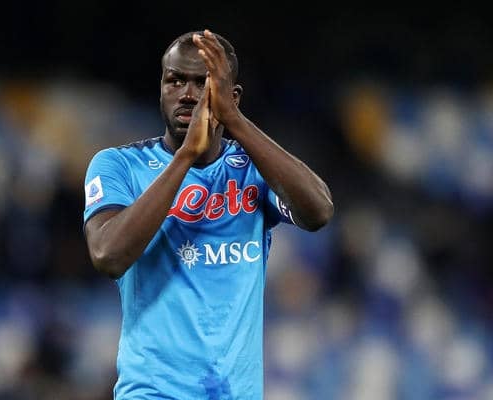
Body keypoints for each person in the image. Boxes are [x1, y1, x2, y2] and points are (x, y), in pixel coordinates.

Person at [82, 29, 334, 399]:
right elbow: (108, 255)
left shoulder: (252, 169)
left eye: (203, 83)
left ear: (232, 97)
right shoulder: (120, 165)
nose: (187, 93)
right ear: (161, 89)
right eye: (175, 80)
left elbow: (318, 212)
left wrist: (235, 121)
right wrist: (186, 155)